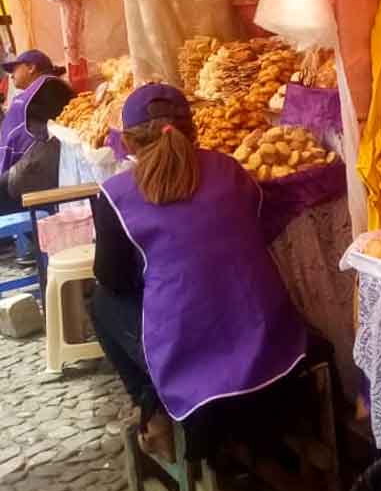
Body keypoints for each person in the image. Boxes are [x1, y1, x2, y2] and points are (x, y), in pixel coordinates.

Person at [88, 83, 307, 460]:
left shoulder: (115, 194)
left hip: (194, 367)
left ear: (128, 142)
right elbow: (255, 226)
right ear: (193, 128)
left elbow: (113, 278)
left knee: (99, 302)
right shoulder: (228, 168)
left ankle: (151, 407)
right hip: (272, 345)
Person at [0, 50, 74, 263]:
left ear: (31, 67)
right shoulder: (51, 86)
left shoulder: (42, 90)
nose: (11, 76)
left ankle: (38, 244)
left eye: (15, 68)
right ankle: (36, 242)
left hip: (37, 170)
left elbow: (14, 141)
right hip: (42, 166)